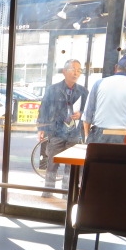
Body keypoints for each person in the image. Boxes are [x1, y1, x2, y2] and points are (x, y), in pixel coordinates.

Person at [37, 59, 89, 198]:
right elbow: (44, 108)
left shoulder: (83, 91)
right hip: (56, 131)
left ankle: (67, 193)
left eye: (79, 70)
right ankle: (48, 190)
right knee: (52, 162)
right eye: (73, 69)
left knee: (71, 165)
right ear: (64, 72)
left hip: (74, 132)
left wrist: (81, 114)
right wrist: (41, 128)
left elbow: (89, 111)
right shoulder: (52, 89)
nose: (76, 73)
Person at [83, 54, 126, 143]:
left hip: (99, 135)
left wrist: (87, 137)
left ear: (116, 67)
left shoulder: (99, 83)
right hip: (125, 136)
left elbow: (87, 115)